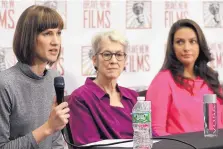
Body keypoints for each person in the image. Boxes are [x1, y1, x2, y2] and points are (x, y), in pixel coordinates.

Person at [0, 5, 70, 149]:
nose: (56, 41)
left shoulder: (54, 78)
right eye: (47, 33)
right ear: (29, 37)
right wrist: (47, 128)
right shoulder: (5, 83)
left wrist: (52, 129)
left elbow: (56, 139)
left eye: (58, 33)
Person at [146, 19, 223, 136]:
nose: (186, 48)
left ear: (200, 45)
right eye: (180, 42)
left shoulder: (210, 78)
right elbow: (156, 130)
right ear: (172, 47)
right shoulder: (163, 80)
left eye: (192, 41)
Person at [68, 30, 138, 145]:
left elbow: (150, 136)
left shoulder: (132, 97)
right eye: (107, 55)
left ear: (125, 61)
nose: (114, 61)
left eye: (119, 55)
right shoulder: (80, 98)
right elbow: (88, 145)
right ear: (95, 60)